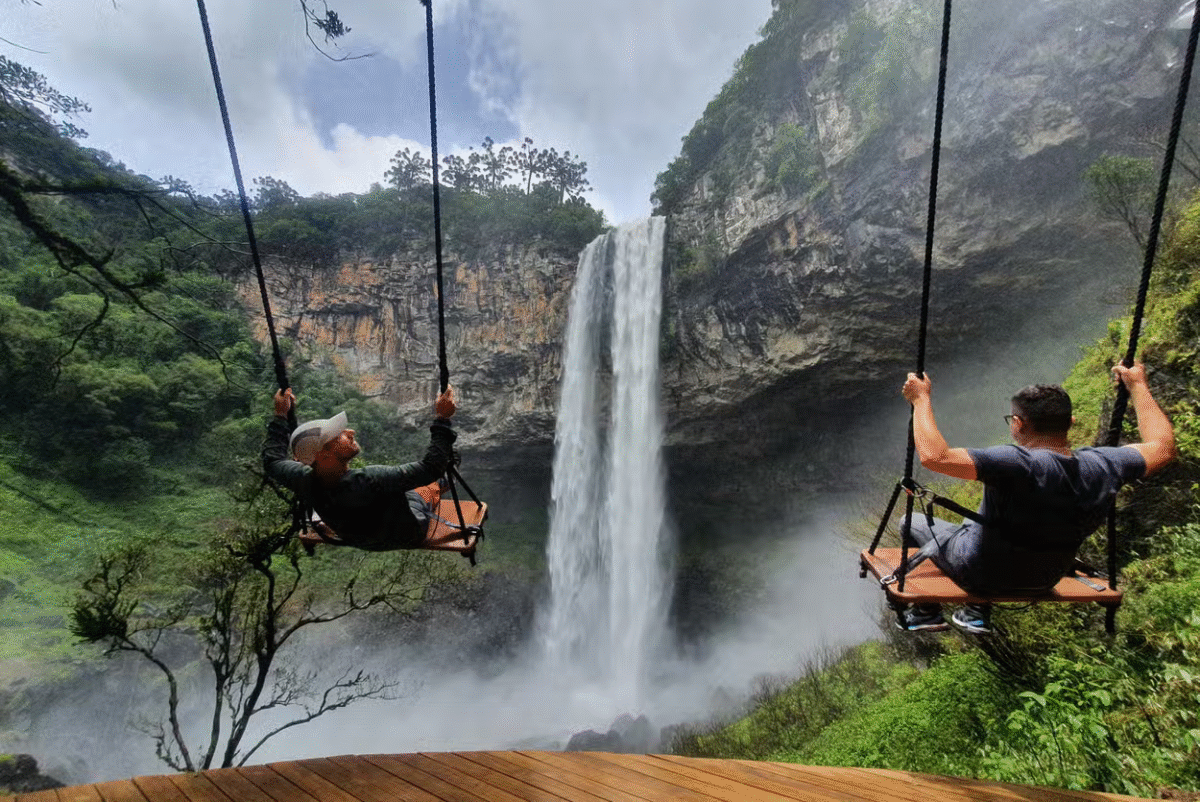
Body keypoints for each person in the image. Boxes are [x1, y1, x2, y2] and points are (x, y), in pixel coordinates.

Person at [894, 362, 1176, 634]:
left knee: (911, 521)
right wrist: (1138, 385)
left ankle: (927, 612)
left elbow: (935, 457)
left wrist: (921, 401)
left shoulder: (1014, 462)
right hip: (1045, 577)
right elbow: (1162, 447)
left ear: (1017, 423)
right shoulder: (1105, 464)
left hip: (980, 574)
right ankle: (974, 612)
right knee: (980, 527)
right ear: (1071, 423)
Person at [262, 385, 458, 551]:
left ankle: (437, 484)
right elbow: (430, 468)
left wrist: (280, 415)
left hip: (354, 537)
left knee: (406, 486)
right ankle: (440, 485)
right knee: (425, 489)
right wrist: (442, 419)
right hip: (406, 535)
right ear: (325, 455)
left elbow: (272, 461)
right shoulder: (372, 479)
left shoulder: (303, 479)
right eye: (339, 435)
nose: (350, 432)